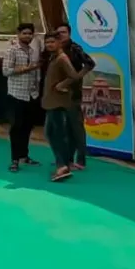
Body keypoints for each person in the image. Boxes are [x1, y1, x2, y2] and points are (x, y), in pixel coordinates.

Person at [42, 33, 91, 182]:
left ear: (59, 43)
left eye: (52, 42)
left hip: (58, 102)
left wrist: (62, 85)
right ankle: (63, 164)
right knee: (51, 133)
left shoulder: (62, 59)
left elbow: (75, 76)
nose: (49, 44)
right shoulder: (54, 58)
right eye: (47, 42)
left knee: (56, 134)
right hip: (52, 101)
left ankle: (62, 165)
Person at [56, 23, 97, 170]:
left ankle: (81, 160)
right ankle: (67, 159)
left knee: (76, 126)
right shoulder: (56, 49)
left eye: (63, 32)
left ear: (69, 33)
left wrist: (76, 77)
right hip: (59, 92)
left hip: (73, 92)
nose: (61, 34)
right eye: (58, 32)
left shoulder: (75, 48)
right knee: (66, 128)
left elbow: (90, 63)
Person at [2, 23, 42, 172]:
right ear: (18, 34)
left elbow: (36, 72)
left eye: (30, 34)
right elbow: (6, 71)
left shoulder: (32, 51)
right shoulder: (12, 50)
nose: (27, 36)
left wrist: (36, 88)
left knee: (27, 127)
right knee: (16, 128)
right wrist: (27, 69)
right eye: (25, 33)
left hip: (31, 95)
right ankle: (14, 159)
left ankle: (24, 155)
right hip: (16, 94)